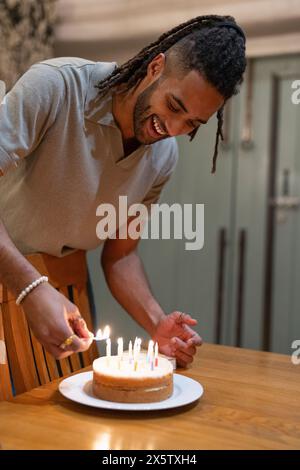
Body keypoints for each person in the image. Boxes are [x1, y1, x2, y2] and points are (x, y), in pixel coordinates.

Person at [0, 14, 246, 367]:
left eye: (192, 123)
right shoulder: (55, 86)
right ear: (155, 67)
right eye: (174, 106)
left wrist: (156, 322)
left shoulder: (163, 158)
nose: (172, 128)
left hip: (68, 292)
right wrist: (29, 287)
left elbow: (121, 255)